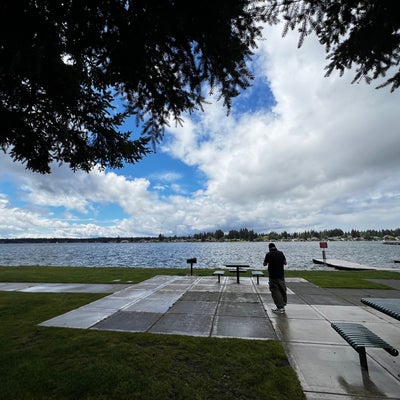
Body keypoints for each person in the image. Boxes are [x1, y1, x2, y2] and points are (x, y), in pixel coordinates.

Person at [263, 242, 287, 314]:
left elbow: (264, 264)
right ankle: (283, 304)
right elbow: (285, 263)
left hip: (273, 276)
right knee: (282, 289)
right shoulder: (281, 253)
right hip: (281, 275)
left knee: (275, 291)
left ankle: (280, 307)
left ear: (269, 248)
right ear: (275, 247)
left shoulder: (268, 254)